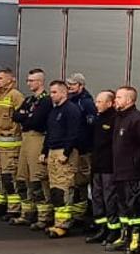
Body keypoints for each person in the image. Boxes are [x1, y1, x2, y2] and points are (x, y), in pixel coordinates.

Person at [109, 86, 140, 254]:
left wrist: (138, 163)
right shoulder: (119, 118)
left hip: (134, 174)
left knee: (134, 208)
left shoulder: (138, 120)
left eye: (119, 97)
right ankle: (125, 236)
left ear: (129, 100)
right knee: (122, 207)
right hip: (120, 172)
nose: (116, 100)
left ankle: (136, 240)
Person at [41, 80, 88, 238]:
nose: (51, 95)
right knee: (55, 188)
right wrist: (44, 151)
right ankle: (59, 221)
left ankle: (63, 225)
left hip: (64, 152)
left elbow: (73, 133)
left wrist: (66, 153)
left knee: (63, 189)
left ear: (63, 92)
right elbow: (49, 133)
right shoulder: (54, 111)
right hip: (53, 151)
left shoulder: (71, 110)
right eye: (51, 92)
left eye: (54, 92)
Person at [12, 69, 53, 228]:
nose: (28, 83)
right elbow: (16, 116)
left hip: (37, 138)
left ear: (40, 82)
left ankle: (44, 216)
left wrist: (26, 117)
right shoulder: (29, 100)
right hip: (25, 139)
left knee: (38, 178)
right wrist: (26, 116)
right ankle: (27, 213)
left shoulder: (46, 100)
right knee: (23, 177)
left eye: (32, 80)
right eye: (28, 80)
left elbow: (36, 121)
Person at [0, 69, 26, 217]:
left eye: (0, 78)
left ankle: (14, 208)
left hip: (10, 147)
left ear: (10, 80)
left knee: (9, 178)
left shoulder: (15, 96)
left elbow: (21, 119)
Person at [84, 90, 118, 244]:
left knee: (109, 199)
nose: (96, 104)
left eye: (99, 102)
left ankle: (113, 230)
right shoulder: (98, 119)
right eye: (96, 101)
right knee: (97, 198)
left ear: (110, 103)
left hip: (109, 167)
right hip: (97, 165)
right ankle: (101, 228)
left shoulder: (115, 120)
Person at [67, 73, 97, 225]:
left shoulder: (86, 103)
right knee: (74, 180)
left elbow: (90, 125)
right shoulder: (71, 100)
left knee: (82, 180)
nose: (70, 87)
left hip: (83, 149)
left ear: (81, 85)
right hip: (73, 148)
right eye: (69, 84)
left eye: (73, 84)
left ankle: (81, 214)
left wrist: (85, 143)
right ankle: (76, 211)